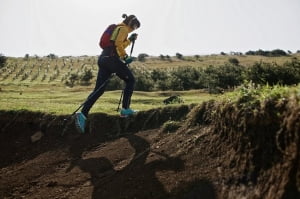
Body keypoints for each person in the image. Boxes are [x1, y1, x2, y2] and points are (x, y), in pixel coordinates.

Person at [75, 14, 141, 133]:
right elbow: (117, 45)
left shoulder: (118, 28)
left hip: (104, 58)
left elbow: (118, 43)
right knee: (130, 80)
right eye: (135, 26)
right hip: (111, 59)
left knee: (99, 90)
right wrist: (125, 57)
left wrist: (130, 40)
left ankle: (83, 115)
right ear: (131, 23)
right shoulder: (124, 29)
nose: (134, 29)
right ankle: (125, 109)